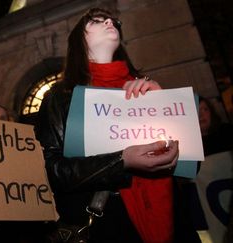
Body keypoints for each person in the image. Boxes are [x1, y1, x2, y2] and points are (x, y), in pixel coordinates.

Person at [35, 8, 199, 242]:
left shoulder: (147, 88)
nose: (110, 22)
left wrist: (164, 106)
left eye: (112, 20)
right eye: (96, 21)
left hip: (174, 223)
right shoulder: (60, 97)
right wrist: (121, 161)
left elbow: (190, 163)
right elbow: (50, 169)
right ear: (78, 40)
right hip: (108, 227)